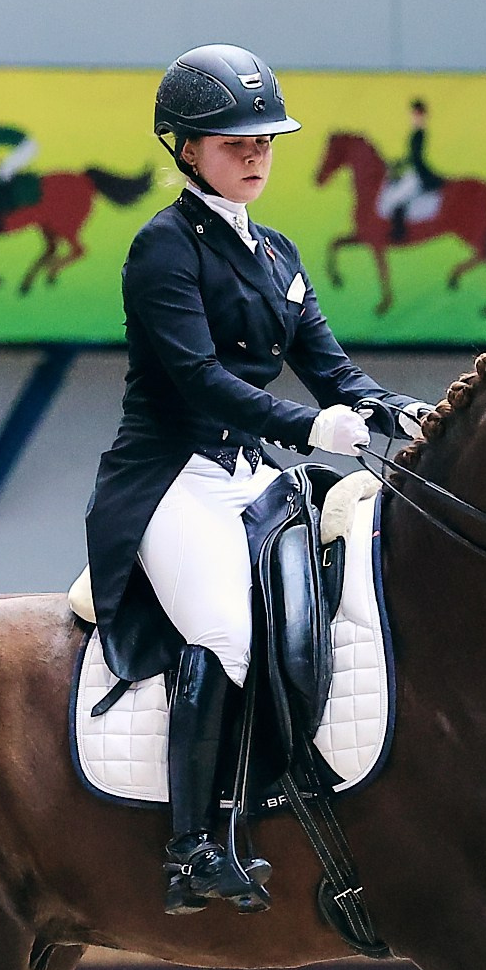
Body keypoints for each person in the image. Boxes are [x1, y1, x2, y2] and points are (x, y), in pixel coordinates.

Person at [84, 44, 430, 917]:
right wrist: (311, 428)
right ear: (186, 148)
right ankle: (191, 847)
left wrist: (395, 409)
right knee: (228, 632)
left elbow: (331, 366)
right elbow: (199, 379)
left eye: (264, 138)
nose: (255, 153)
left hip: (247, 475)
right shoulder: (161, 248)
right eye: (233, 140)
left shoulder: (276, 253)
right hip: (169, 477)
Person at [376, 98, 445, 245]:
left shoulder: (420, 132)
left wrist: (397, 164)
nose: (414, 116)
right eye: (414, 114)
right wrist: (395, 163)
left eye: (417, 114)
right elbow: (410, 156)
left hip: (419, 174)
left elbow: (415, 157)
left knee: (396, 199)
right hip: (413, 171)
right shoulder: (415, 131)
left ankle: (400, 233)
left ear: (422, 115)